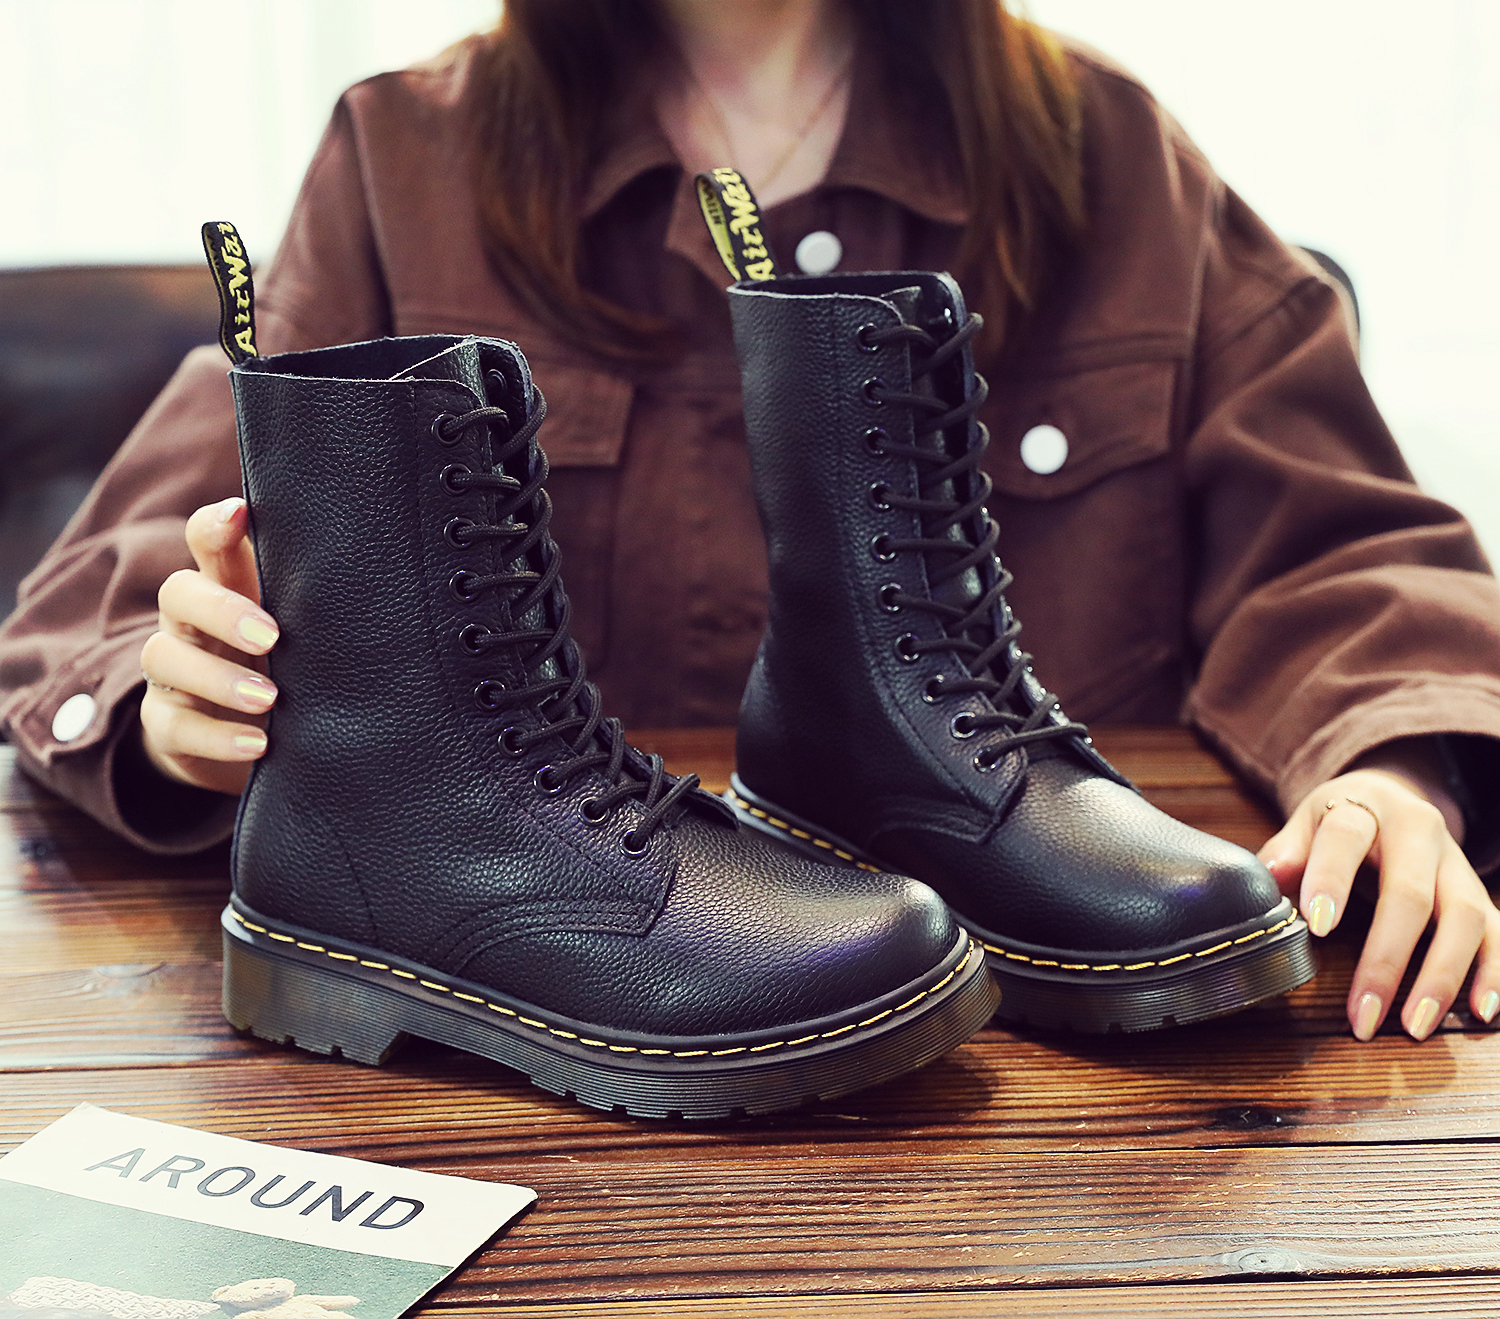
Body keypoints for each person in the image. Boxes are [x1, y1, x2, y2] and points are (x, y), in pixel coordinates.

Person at [3, 0, 1498, 1045]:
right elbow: (112, 590)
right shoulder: (406, 154)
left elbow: (1346, 541)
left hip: (1024, 1002)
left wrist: (1389, 765)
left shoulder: (1109, 148)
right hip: (573, 934)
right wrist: (181, 693)